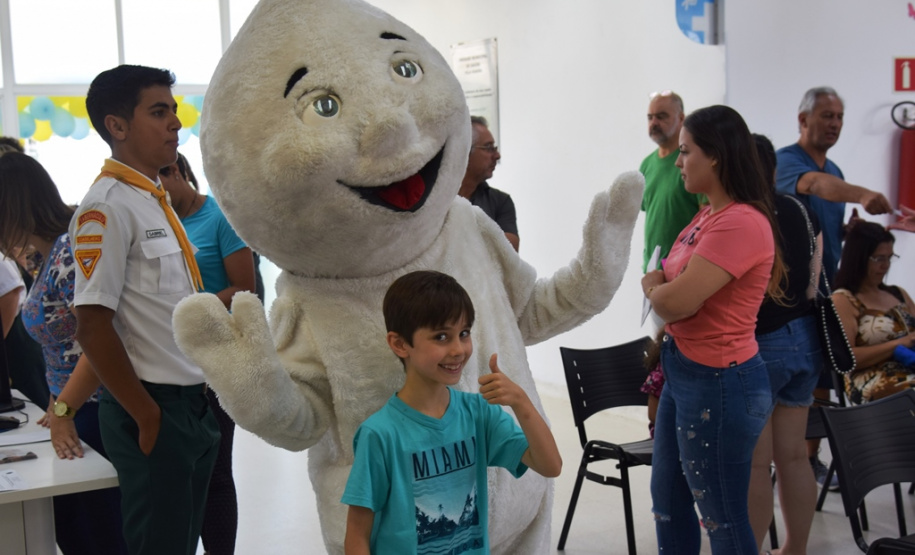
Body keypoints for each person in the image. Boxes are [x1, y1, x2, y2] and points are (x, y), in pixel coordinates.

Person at [73, 64, 220, 555]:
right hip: (154, 404)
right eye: (159, 112)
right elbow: (92, 327)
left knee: (181, 540)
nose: (175, 123)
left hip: (192, 402)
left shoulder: (152, 198)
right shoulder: (107, 206)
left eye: (174, 111)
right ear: (117, 126)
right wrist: (147, 414)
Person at [641, 105, 783, 553]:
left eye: (685, 152)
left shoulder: (741, 222)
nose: (678, 162)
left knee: (721, 516)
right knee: (667, 499)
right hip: (684, 371)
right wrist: (663, 288)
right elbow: (671, 284)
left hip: (719, 382)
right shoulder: (706, 215)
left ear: (716, 156)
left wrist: (654, 288)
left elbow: (677, 300)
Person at [341, 270, 561, 554]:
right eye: (441, 336)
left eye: (464, 333)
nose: (458, 349)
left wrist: (521, 402)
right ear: (399, 343)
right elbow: (357, 534)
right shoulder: (379, 434)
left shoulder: (478, 414)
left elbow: (550, 465)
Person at [0, 151, 128, 554]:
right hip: (75, 409)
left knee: (101, 534)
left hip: (97, 411)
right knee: (78, 530)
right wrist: (57, 399)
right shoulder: (45, 256)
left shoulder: (70, 252)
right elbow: (66, 344)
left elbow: (99, 342)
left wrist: (62, 411)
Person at [774, 86, 893, 488]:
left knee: (822, 374)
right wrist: (863, 194)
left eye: (840, 117)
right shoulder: (786, 162)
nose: (835, 124)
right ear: (803, 120)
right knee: (799, 380)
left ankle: (812, 459)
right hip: (791, 296)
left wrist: (849, 230)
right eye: (827, 116)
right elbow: (813, 186)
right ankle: (791, 459)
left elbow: (823, 222)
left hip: (827, 293)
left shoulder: (835, 169)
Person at [160, 151, 256, 555]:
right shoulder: (156, 221)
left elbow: (245, 288)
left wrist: (194, 312)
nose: (161, 183)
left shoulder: (218, 218)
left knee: (215, 471)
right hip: (166, 363)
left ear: (184, 173)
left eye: (167, 173)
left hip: (214, 363)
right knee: (176, 476)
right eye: (155, 175)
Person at [747, 135, 822, 555]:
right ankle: (795, 548)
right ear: (773, 169)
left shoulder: (743, 216)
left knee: (757, 463)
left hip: (762, 342)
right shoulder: (800, 209)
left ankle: (751, 549)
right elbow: (813, 285)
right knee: (794, 456)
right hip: (805, 339)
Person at [833, 221, 915, 404]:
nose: (886, 265)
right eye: (879, 259)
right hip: (875, 379)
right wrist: (899, 344)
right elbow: (848, 358)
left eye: (890, 258)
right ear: (860, 258)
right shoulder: (844, 300)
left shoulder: (898, 294)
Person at [640, 90, 704, 272]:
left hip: (684, 269)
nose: (654, 123)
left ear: (681, 118)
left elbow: (707, 216)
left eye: (661, 117)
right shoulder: (646, 165)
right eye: (650, 117)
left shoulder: (693, 162)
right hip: (652, 269)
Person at [458, 116, 519, 251]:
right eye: (489, 147)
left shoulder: (501, 201)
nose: (497, 155)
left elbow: (509, 252)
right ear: (465, 150)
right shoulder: (436, 198)